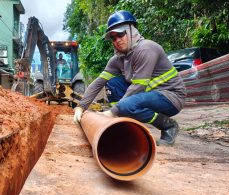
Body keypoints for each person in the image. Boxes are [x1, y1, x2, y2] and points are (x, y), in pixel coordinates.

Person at [73, 10, 186, 146]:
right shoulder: (118, 59)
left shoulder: (146, 49)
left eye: (121, 34)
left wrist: (112, 112)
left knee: (127, 105)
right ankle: (126, 128)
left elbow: (138, 87)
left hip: (170, 97)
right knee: (112, 85)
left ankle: (168, 126)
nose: (117, 40)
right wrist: (81, 107)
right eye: (113, 38)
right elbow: (99, 82)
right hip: (147, 95)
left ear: (132, 31)